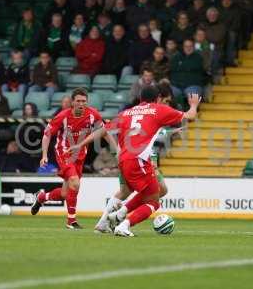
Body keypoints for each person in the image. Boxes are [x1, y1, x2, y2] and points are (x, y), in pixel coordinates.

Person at [74, 87, 201, 236]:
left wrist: (81, 144)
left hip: (123, 160)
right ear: (158, 98)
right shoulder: (158, 109)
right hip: (138, 160)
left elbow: (103, 130)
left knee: (135, 191)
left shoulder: (126, 113)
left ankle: (117, 215)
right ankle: (124, 225)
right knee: (154, 201)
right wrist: (193, 105)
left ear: (140, 98)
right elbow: (190, 116)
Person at [93, 82, 177, 233]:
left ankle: (107, 220)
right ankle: (116, 219)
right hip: (139, 158)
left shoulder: (134, 111)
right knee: (147, 192)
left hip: (132, 157)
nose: (167, 104)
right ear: (159, 98)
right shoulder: (154, 111)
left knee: (140, 190)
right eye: (166, 101)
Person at [31, 88, 116, 229]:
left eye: (84, 101)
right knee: (75, 183)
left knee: (65, 193)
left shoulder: (93, 114)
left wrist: (116, 151)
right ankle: (71, 221)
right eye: (78, 101)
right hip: (64, 153)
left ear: (87, 102)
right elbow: (47, 134)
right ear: (72, 102)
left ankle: (41, 197)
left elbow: (104, 132)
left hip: (80, 155)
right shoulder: (63, 116)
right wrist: (44, 155)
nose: (81, 104)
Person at [170, 39, 205, 109]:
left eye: (190, 46)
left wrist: (182, 66)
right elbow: (172, 70)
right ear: (183, 47)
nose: (188, 48)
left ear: (193, 47)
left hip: (193, 85)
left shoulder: (198, 57)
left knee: (193, 95)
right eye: (186, 46)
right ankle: (176, 115)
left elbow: (197, 68)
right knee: (168, 94)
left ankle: (190, 115)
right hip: (176, 85)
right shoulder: (176, 57)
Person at [200, 7, 226, 76]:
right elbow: (198, 37)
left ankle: (213, 79)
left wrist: (205, 33)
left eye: (214, 15)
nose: (212, 16)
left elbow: (216, 38)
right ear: (207, 16)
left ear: (217, 16)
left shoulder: (222, 26)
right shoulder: (202, 24)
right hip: (203, 47)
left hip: (217, 49)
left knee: (214, 58)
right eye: (210, 15)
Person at [219, 0, 241, 66]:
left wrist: (226, 31)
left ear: (231, 1)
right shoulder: (218, 10)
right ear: (222, 1)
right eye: (224, 0)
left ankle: (229, 60)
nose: (226, 2)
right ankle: (219, 61)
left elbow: (236, 24)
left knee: (231, 36)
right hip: (220, 31)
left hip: (230, 31)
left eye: (228, 0)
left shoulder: (236, 11)